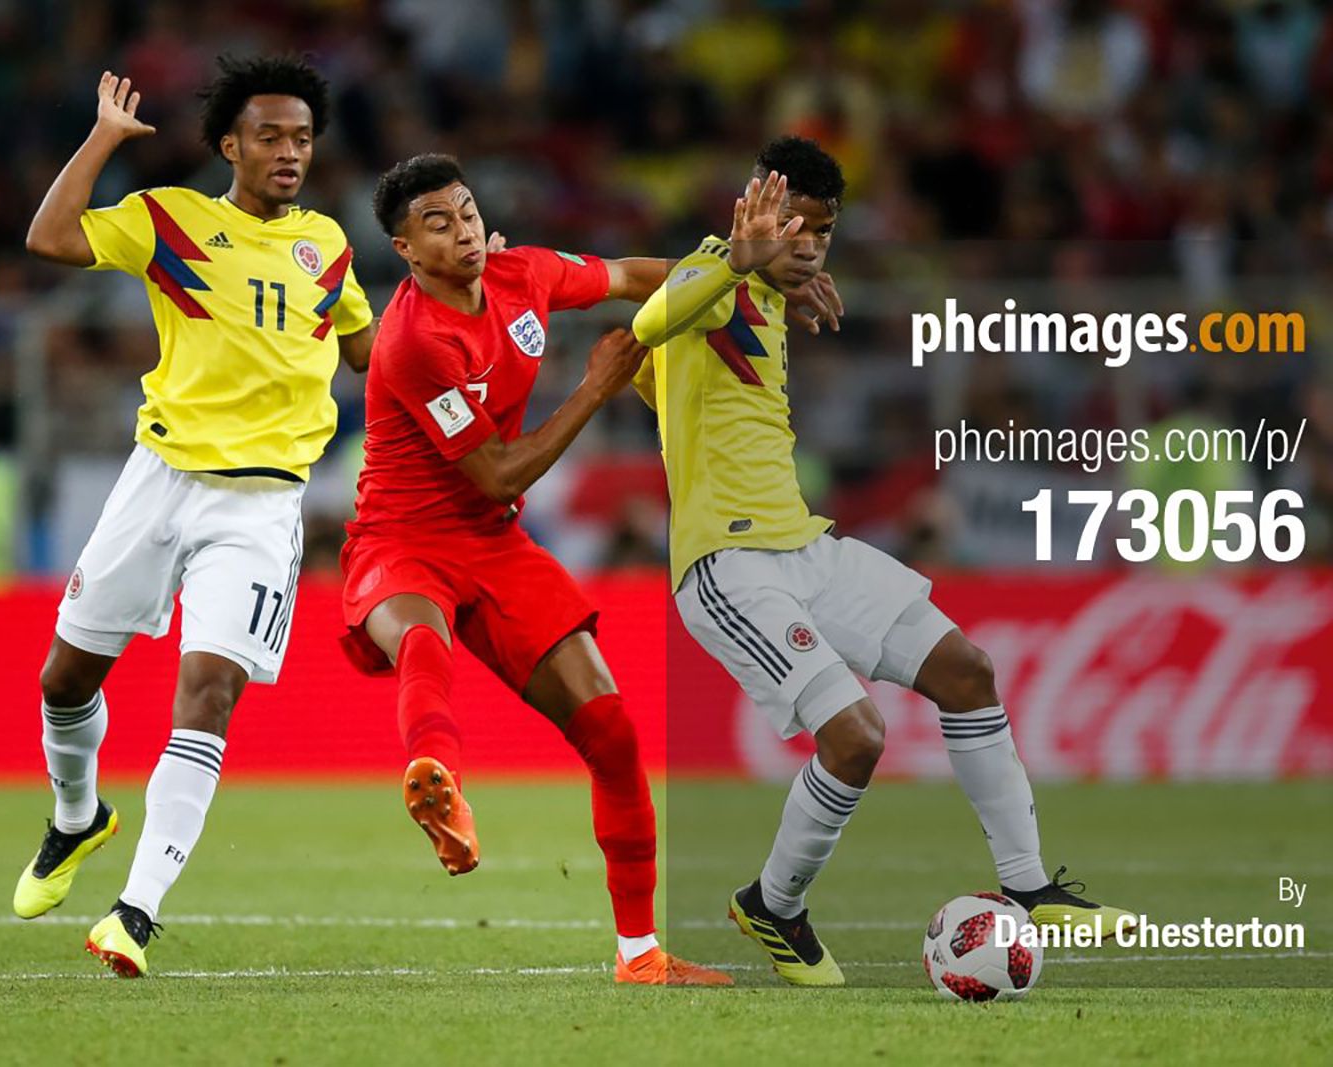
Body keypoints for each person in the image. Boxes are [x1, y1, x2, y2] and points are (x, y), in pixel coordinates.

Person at [631, 137, 1135, 987]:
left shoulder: (756, 294)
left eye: (825, 232)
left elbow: (656, 370)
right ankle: (773, 904)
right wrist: (738, 264)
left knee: (968, 671)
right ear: (759, 206)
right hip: (729, 565)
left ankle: (1031, 885)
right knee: (857, 736)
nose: (811, 246)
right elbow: (647, 323)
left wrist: (757, 296)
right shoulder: (715, 268)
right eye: (798, 227)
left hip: (804, 545)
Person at [17, 56, 374, 978]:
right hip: (161, 477)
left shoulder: (328, 247)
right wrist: (102, 139)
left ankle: (135, 912)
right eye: (270, 136)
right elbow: (51, 237)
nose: (290, 152)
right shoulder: (172, 219)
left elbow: (375, 353)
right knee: (64, 678)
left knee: (209, 691)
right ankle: (76, 817)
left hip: (260, 506)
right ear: (230, 145)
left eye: (302, 137)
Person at [339, 154, 729, 986]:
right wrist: (593, 388)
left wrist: (740, 271)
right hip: (402, 539)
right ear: (405, 249)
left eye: (469, 210)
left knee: (615, 734)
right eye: (437, 223)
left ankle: (640, 954)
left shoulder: (526, 274)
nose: (464, 230)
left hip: (496, 544)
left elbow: (631, 276)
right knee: (422, 638)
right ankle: (437, 778)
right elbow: (501, 471)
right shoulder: (410, 343)